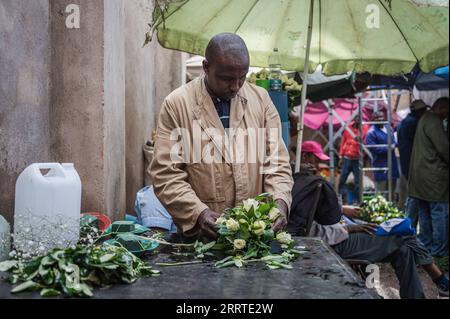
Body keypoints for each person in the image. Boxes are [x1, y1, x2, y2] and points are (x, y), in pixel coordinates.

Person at [150, 33, 293, 241]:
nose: (235, 86)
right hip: (202, 238)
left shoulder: (261, 100)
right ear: (206, 67)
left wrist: (280, 201)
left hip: (255, 237)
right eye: (226, 78)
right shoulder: (177, 104)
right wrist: (198, 213)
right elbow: (165, 174)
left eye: (242, 77)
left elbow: (277, 163)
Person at [288, 141, 449, 299]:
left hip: (337, 235)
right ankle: (439, 279)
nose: (317, 165)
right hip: (334, 243)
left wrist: (349, 222)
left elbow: (326, 220)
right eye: (316, 160)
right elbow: (316, 231)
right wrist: (349, 227)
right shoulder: (307, 185)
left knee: (403, 251)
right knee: (404, 237)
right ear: (305, 156)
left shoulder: (303, 181)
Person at [408, 97, 449, 257]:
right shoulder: (434, 122)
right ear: (440, 108)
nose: (447, 115)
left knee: (425, 212)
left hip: (421, 177)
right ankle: (439, 251)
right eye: (446, 111)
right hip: (433, 177)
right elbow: (444, 149)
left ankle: (426, 247)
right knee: (439, 213)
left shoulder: (425, 119)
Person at [397, 99, 428, 228]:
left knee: (412, 195)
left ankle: (410, 224)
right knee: (415, 197)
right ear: (420, 111)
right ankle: (410, 225)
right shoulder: (414, 123)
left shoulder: (404, 122)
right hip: (412, 163)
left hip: (406, 163)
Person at [365, 111, 399, 196]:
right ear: (373, 120)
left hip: (392, 164)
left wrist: (397, 144)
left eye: (381, 116)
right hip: (381, 165)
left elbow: (393, 142)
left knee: (392, 191)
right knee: (382, 193)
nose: (380, 119)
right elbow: (373, 148)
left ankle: (392, 208)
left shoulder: (389, 128)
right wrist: (389, 148)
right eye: (377, 118)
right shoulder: (371, 133)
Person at [338, 116, 368, 204]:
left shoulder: (364, 128)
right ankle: (342, 199)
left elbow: (365, 141)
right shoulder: (349, 128)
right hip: (347, 157)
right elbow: (343, 141)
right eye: (356, 118)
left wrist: (360, 140)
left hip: (357, 159)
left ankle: (357, 201)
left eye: (360, 119)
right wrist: (341, 156)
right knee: (342, 180)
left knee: (358, 182)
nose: (358, 120)